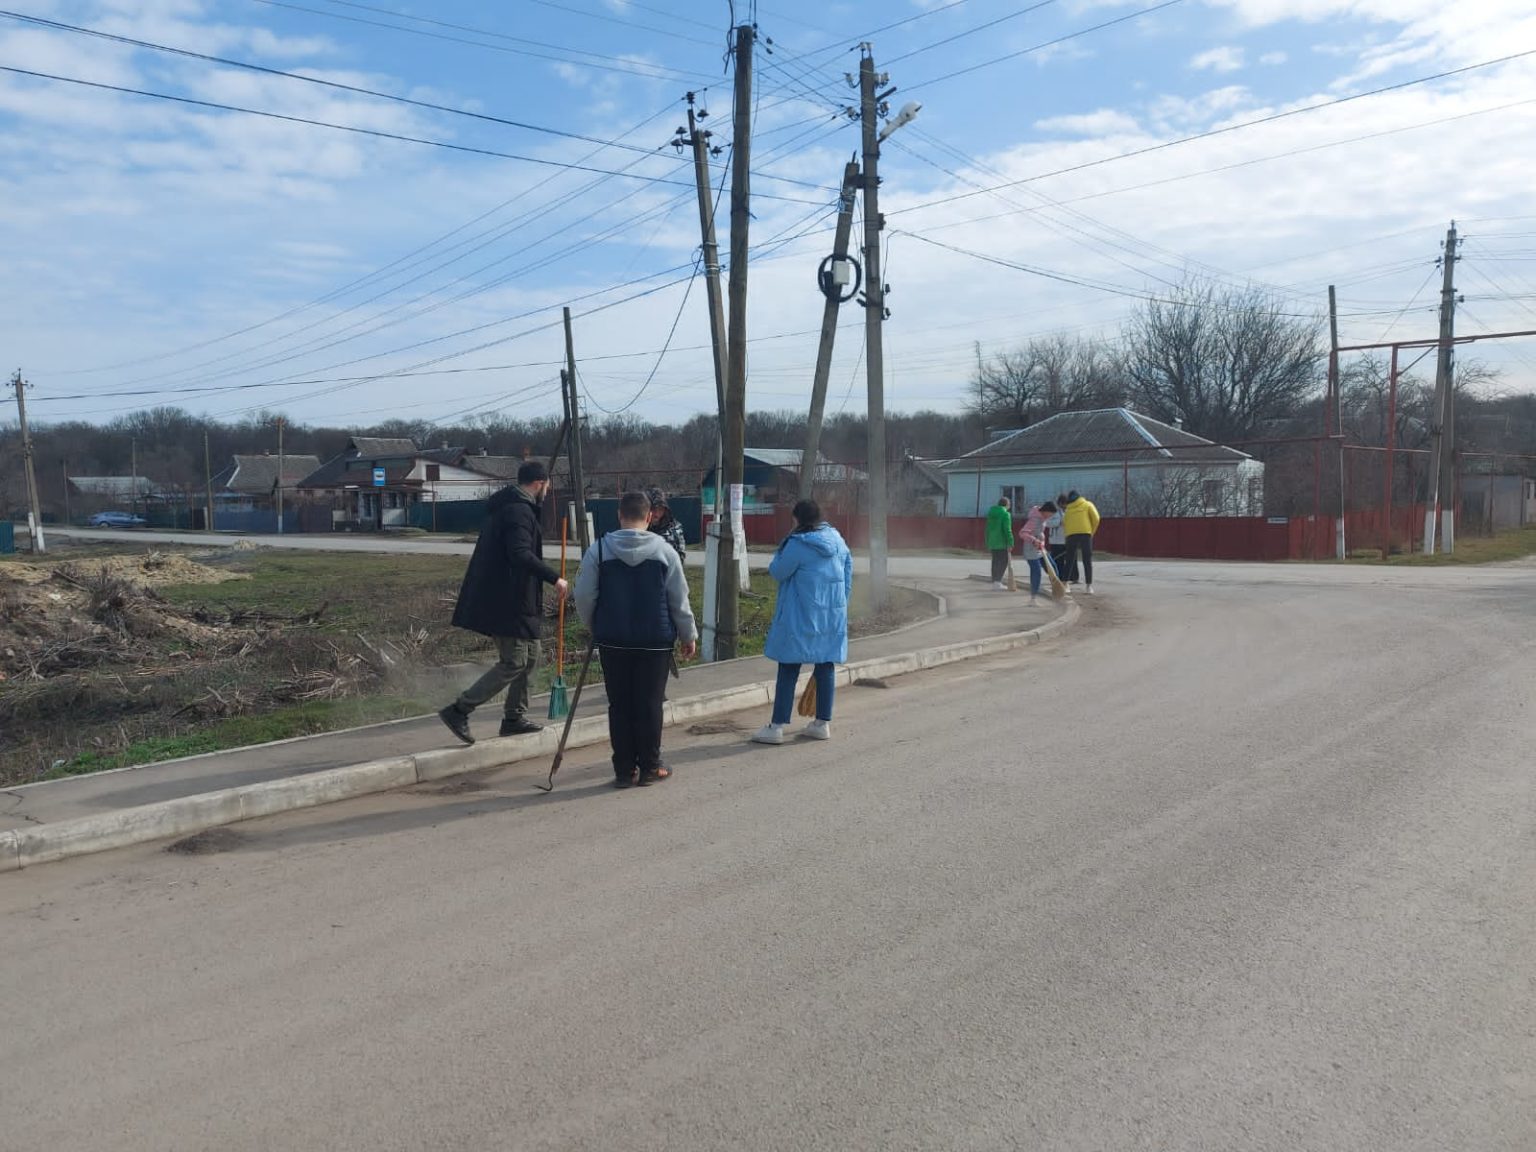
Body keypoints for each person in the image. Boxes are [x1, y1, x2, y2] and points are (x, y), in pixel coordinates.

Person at [574, 490, 698, 788]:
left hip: (613, 639)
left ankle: (624, 770)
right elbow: (678, 599)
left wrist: (594, 624)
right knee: (649, 704)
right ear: (648, 517)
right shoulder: (665, 551)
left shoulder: (599, 550)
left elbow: (583, 595)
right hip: (654, 640)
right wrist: (688, 634)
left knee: (619, 705)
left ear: (619, 515)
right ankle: (650, 767)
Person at [439, 460, 567, 745]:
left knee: (531, 657)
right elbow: (520, 553)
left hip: (517, 599)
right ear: (539, 483)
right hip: (507, 600)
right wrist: (554, 578)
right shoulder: (518, 512)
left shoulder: (514, 508)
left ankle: (513, 718)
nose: (548, 490)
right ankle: (459, 709)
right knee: (514, 661)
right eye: (547, 485)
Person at [751, 499, 853, 745]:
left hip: (800, 615)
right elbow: (847, 575)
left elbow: (777, 571)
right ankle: (821, 723)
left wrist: (783, 545)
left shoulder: (797, 545)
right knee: (825, 665)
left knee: (788, 667)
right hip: (831, 616)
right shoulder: (837, 540)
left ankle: (776, 727)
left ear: (798, 519)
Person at [1060, 488, 1102, 594]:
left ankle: (1065, 585)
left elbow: (1064, 522)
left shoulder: (1068, 509)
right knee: (1087, 559)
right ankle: (1089, 586)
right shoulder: (1087, 504)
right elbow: (1096, 518)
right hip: (1085, 533)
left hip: (1071, 535)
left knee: (1069, 559)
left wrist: (1067, 535)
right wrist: (1092, 532)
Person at [1018, 500, 1056, 606]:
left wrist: (1041, 542)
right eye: (1051, 514)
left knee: (1052, 567)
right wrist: (1034, 540)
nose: (1051, 516)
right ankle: (1033, 599)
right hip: (1031, 550)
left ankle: (1057, 589)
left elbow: (1040, 534)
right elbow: (1022, 533)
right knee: (1036, 572)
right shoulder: (1034, 519)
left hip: (1040, 549)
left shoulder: (1043, 519)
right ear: (1046, 511)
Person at [646, 486, 687, 559]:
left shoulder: (674, 527)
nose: (657, 513)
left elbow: (680, 554)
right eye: (653, 509)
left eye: (660, 509)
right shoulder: (640, 526)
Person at [985, 495, 1014, 590]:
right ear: (1006, 505)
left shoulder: (991, 513)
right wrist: (1010, 542)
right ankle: (998, 582)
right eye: (1009, 505)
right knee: (1003, 561)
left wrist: (987, 542)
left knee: (995, 561)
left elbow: (987, 529)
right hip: (1002, 542)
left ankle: (995, 582)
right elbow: (1007, 529)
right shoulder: (1006, 514)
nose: (1009, 507)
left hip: (992, 542)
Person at [1046, 492, 1071, 584]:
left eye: (1066, 503)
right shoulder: (1054, 513)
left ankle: (1064, 579)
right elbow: (1047, 523)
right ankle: (1055, 578)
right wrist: (1059, 522)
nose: (1065, 505)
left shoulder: (1070, 512)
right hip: (1056, 541)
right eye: (1063, 503)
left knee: (1066, 562)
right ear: (1059, 503)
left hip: (1067, 540)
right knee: (1056, 561)